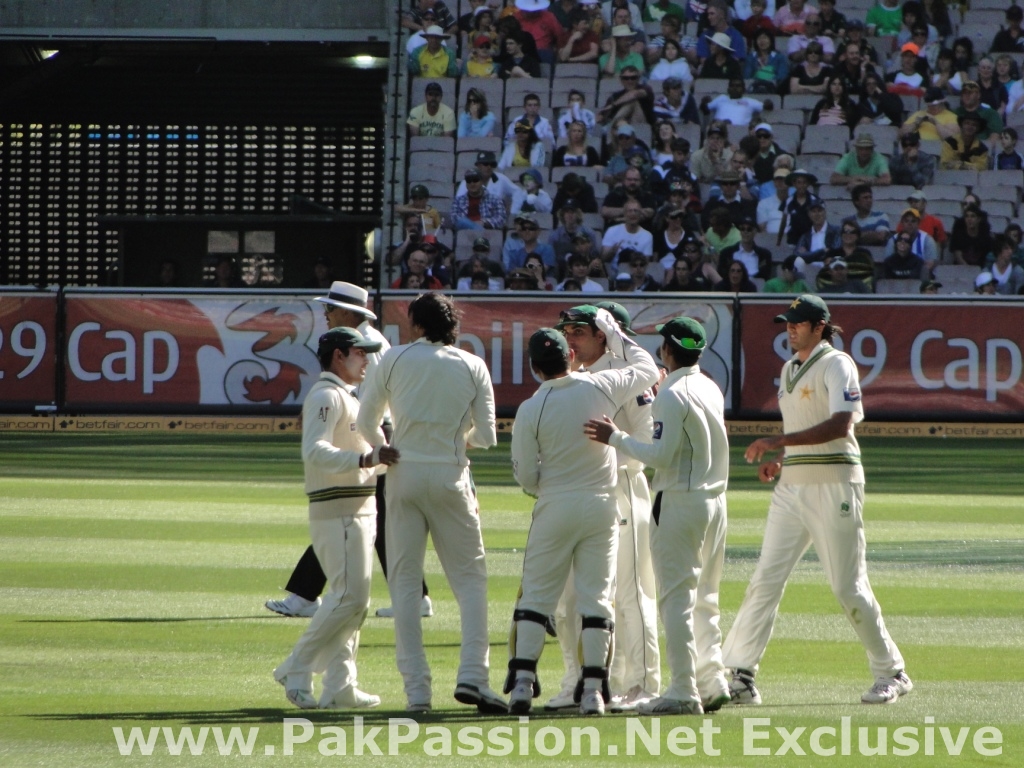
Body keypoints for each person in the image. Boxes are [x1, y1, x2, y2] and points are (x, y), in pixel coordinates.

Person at [723, 295, 913, 707]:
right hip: (793, 485)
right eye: (787, 323)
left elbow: (841, 423)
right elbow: (805, 427)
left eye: (798, 323)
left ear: (820, 325)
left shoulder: (837, 363)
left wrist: (779, 440)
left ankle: (891, 672)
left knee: (848, 585)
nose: (790, 329)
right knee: (765, 579)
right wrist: (782, 459)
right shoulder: (790, 367)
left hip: (834, 484)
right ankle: (741, 675)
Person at [357, 293, 505, 714]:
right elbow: (488, 437)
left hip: (402, 473)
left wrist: (382, 447)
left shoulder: (394, 359)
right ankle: (474, 676)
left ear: (417, 326)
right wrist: (458, 441)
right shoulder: (472, 364)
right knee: (471, 581)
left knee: (404, 583)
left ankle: (417, 693)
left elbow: (367, 421)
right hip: (450, 474)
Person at [507, 313, 658, 717]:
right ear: (571, 355)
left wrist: (549, 487)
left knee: (538, 597)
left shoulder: (531, 406)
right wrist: (614, 332)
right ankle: (593, 690)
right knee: (597, 599)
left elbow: (526, 474)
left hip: (555, 504)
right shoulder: (601, 385)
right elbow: (646, 369)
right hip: (601, 506)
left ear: (536, 367)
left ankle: (522, 686)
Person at [585, 314, 730, 715]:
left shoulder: (671, 393)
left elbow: (660, 455)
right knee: (706, 598)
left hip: (682, 500)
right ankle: (712, 680)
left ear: (667, 349)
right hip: (716, 501)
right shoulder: (708, 386)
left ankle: (684, 689)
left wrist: (614, 436)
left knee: (675, 600)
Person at [272, 326, 397, 710]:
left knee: (353, 602)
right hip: (338, 510)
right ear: (339, 355)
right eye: (361, 354)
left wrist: (378, 461)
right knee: (347, 598)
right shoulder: (327, 395)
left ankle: (341, 685)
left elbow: (364, 459)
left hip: (358, 507)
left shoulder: (349, 397)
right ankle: (296, 667)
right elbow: (315, 451)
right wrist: (366, 460)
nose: (367, 362)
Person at [602, 199, 654, 272]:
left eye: (636, 211)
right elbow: (604, 258)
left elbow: (645, 263)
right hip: (614, 272)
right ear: (624, 214)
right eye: (630, 211)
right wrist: (612, 252)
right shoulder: (612, 231)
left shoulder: (647, 236)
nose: (633, 214)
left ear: (640, 214)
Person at [701, 77, 772, 128]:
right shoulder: (721, 98)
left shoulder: (750, 101)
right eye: (732, 86)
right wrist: (704, 102)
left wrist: (768, 103)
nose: (735, 88)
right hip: (720, 130)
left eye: (738, 86)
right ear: (728, 89)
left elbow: (767, 106)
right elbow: (705, 109)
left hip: (741, 132)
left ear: (743, 89)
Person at [949, 203, 994, 267]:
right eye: (967, 216)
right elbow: (958, 256)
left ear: (978, 219)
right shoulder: (959, 236)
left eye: (973, 216)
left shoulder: (986, 238)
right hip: (961, 269)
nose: (969, 219)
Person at [744, 29, 790, 94]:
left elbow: (782, 76)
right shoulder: (750, 58)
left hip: (774, 88)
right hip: (754, 88)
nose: (762, 41)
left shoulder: (780, 57)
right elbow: (747, 76)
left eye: (765, 38)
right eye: (759, 38)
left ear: (771, 41)